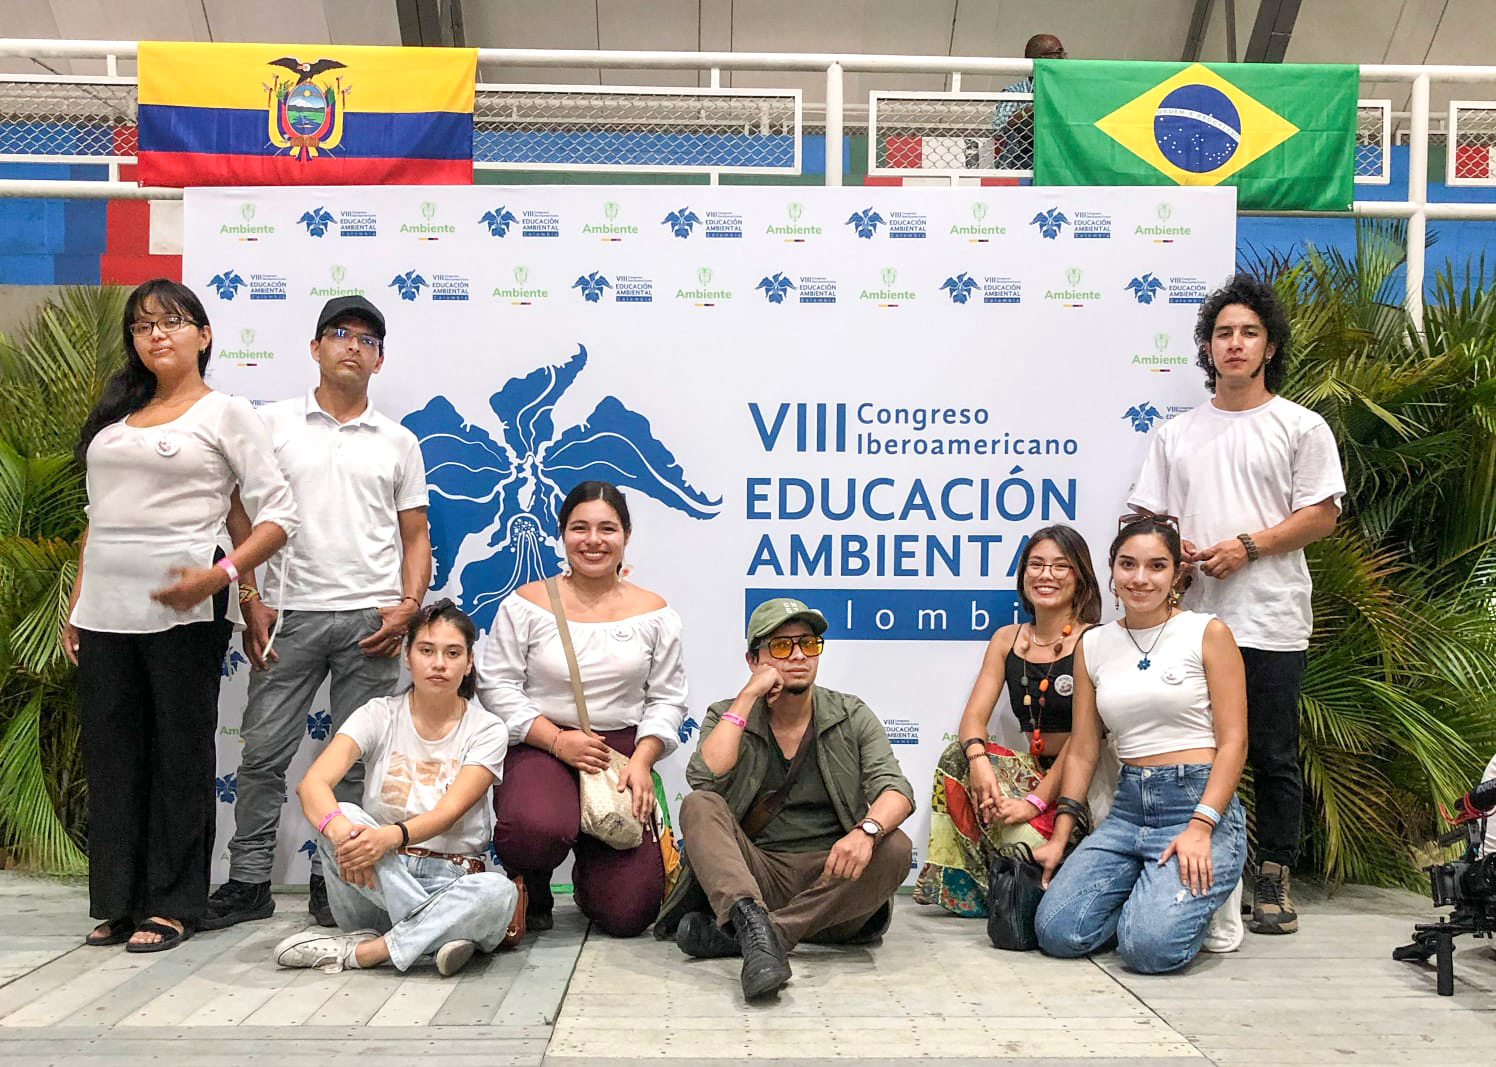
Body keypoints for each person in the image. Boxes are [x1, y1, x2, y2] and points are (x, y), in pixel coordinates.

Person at [61, 278, 298, 953]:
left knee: (179, 754)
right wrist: (77, 602)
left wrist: (228, 580)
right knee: (112, 757)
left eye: (170, 321)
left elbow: (275, 513)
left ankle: (172, 902)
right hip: (104, 609)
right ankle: (118, 900)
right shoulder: (116, 416)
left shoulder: (226, 412)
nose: (155, 335)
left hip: (186, 611)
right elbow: (97, 519)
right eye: (142, 326)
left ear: (204, 335)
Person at [1129, 273, 1345, 935]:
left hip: (1271, 618)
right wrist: (1175, 549)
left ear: (1269, 346)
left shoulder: (1300, 426)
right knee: (1194, 749)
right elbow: (1147, 517)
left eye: (1249, 332)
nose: (1235, 343)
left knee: (1273, 753)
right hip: (1191, 622)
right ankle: (1195, 868)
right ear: (1207, 346)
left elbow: (1322, 516)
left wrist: (1248, 547)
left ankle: (1274, 874)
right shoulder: (1177, 434)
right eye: (1223, 332)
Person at [206, 295, 431, 931]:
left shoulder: (398, 441)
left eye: (367, 340)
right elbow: (238, 515)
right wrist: (250, 598)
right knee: (262, 755)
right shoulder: (270, 424)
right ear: (315, 347)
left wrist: (408, 609)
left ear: (379, 360)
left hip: (371, 622)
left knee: (355, 764)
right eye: (339, 333)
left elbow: (416, 536)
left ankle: (335, 881)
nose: (353, 346)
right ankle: (248, 882)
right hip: (289, 615)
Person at [656, 597, 916, 1001]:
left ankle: (760, 935)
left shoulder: (849, 714)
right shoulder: (728, 714)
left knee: (895, 845)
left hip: (834, 881)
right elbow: (704, 777)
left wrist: (866, 832)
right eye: (781, 646)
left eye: (808, 644)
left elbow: (896, 789)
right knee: (699, 805)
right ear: (753, 659)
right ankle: (753, 920)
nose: (798, 656)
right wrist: (748, 697)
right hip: (756, 875)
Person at [1032, 516, 1249, 974]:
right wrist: (1059, 838)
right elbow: (1084, 749)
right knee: (1056, 931)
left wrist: (1201, 827)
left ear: (1176, 574)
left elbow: (1234, 743)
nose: (1140, 578)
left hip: (1196, 804)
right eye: (1128, 564)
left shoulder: (1207, 632)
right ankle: (1153, 895)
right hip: (1128, 811)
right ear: (1112, 570)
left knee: (1147, 950)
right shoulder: (1093, 644)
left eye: (1156, 566)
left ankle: (1185, 903)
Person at [476, 481, 687, 937]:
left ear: (626, 535)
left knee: (630, 914)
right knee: (534, 828)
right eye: (580, 528)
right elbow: (497, 685)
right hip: (541, 742)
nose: (593, 540)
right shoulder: (526, 605)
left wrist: (643, 761)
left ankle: (594, 879)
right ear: (562, 533)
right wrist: (555, 740)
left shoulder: (655, 613)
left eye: (607, 528)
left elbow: (668, 698)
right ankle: (531, 884)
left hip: (622, 753)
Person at [273, 600, 517, 976]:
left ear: (469, 662)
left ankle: (367, 951)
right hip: (373, 876)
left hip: (450, 878)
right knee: (344, 815)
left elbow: (448, 813)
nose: (439, 663)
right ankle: (439, 934)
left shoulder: (487, 729)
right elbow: (312, 785)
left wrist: (388, 836)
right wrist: (347, 839)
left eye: (453, 653)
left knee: (498, 892)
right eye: (426, 650)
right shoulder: (378, 714)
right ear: (407, 656)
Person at [914, 524, 1102, 916]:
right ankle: (978, 892)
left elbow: (1084, 740)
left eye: (1060, 566)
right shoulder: (1007, 639)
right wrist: (979, 762)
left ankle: (1030, 881)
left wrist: (1035, 803)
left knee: (1028, 844)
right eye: (1036, 564)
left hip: (1080, 782)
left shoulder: (1096, 641)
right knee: (956, 758)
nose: (1046, 575)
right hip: (1030, 770)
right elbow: (973, 719)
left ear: (1081, 577)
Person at [994, 33, 1067, 171]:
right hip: (1022, 160)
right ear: (1040, 59)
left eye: (1063, 54)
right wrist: (1036, 107)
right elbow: (998, 127)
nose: (1064, 59)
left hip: (1058, 159)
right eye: (1058, 54)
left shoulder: (1068, 90)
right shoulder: (1015, 91)